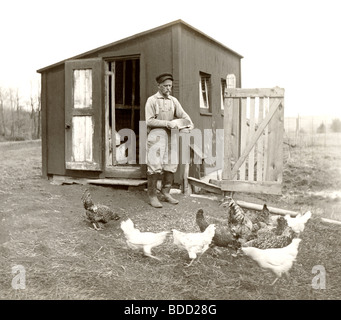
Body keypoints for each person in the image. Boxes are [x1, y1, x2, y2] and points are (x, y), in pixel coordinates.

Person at [145, 73, 194, 208]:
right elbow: (149, 121)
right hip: (157, 134)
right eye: (165, 86)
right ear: (159, 86)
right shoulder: (152, 100)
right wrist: (167, 123)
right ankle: (153, 195)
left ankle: (166, 193)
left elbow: (184, 116)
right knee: (154, 165)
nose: (168, 89)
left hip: (171, 135)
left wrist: (188, 124)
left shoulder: (173, 101)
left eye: (170, 86)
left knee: (171, 164)